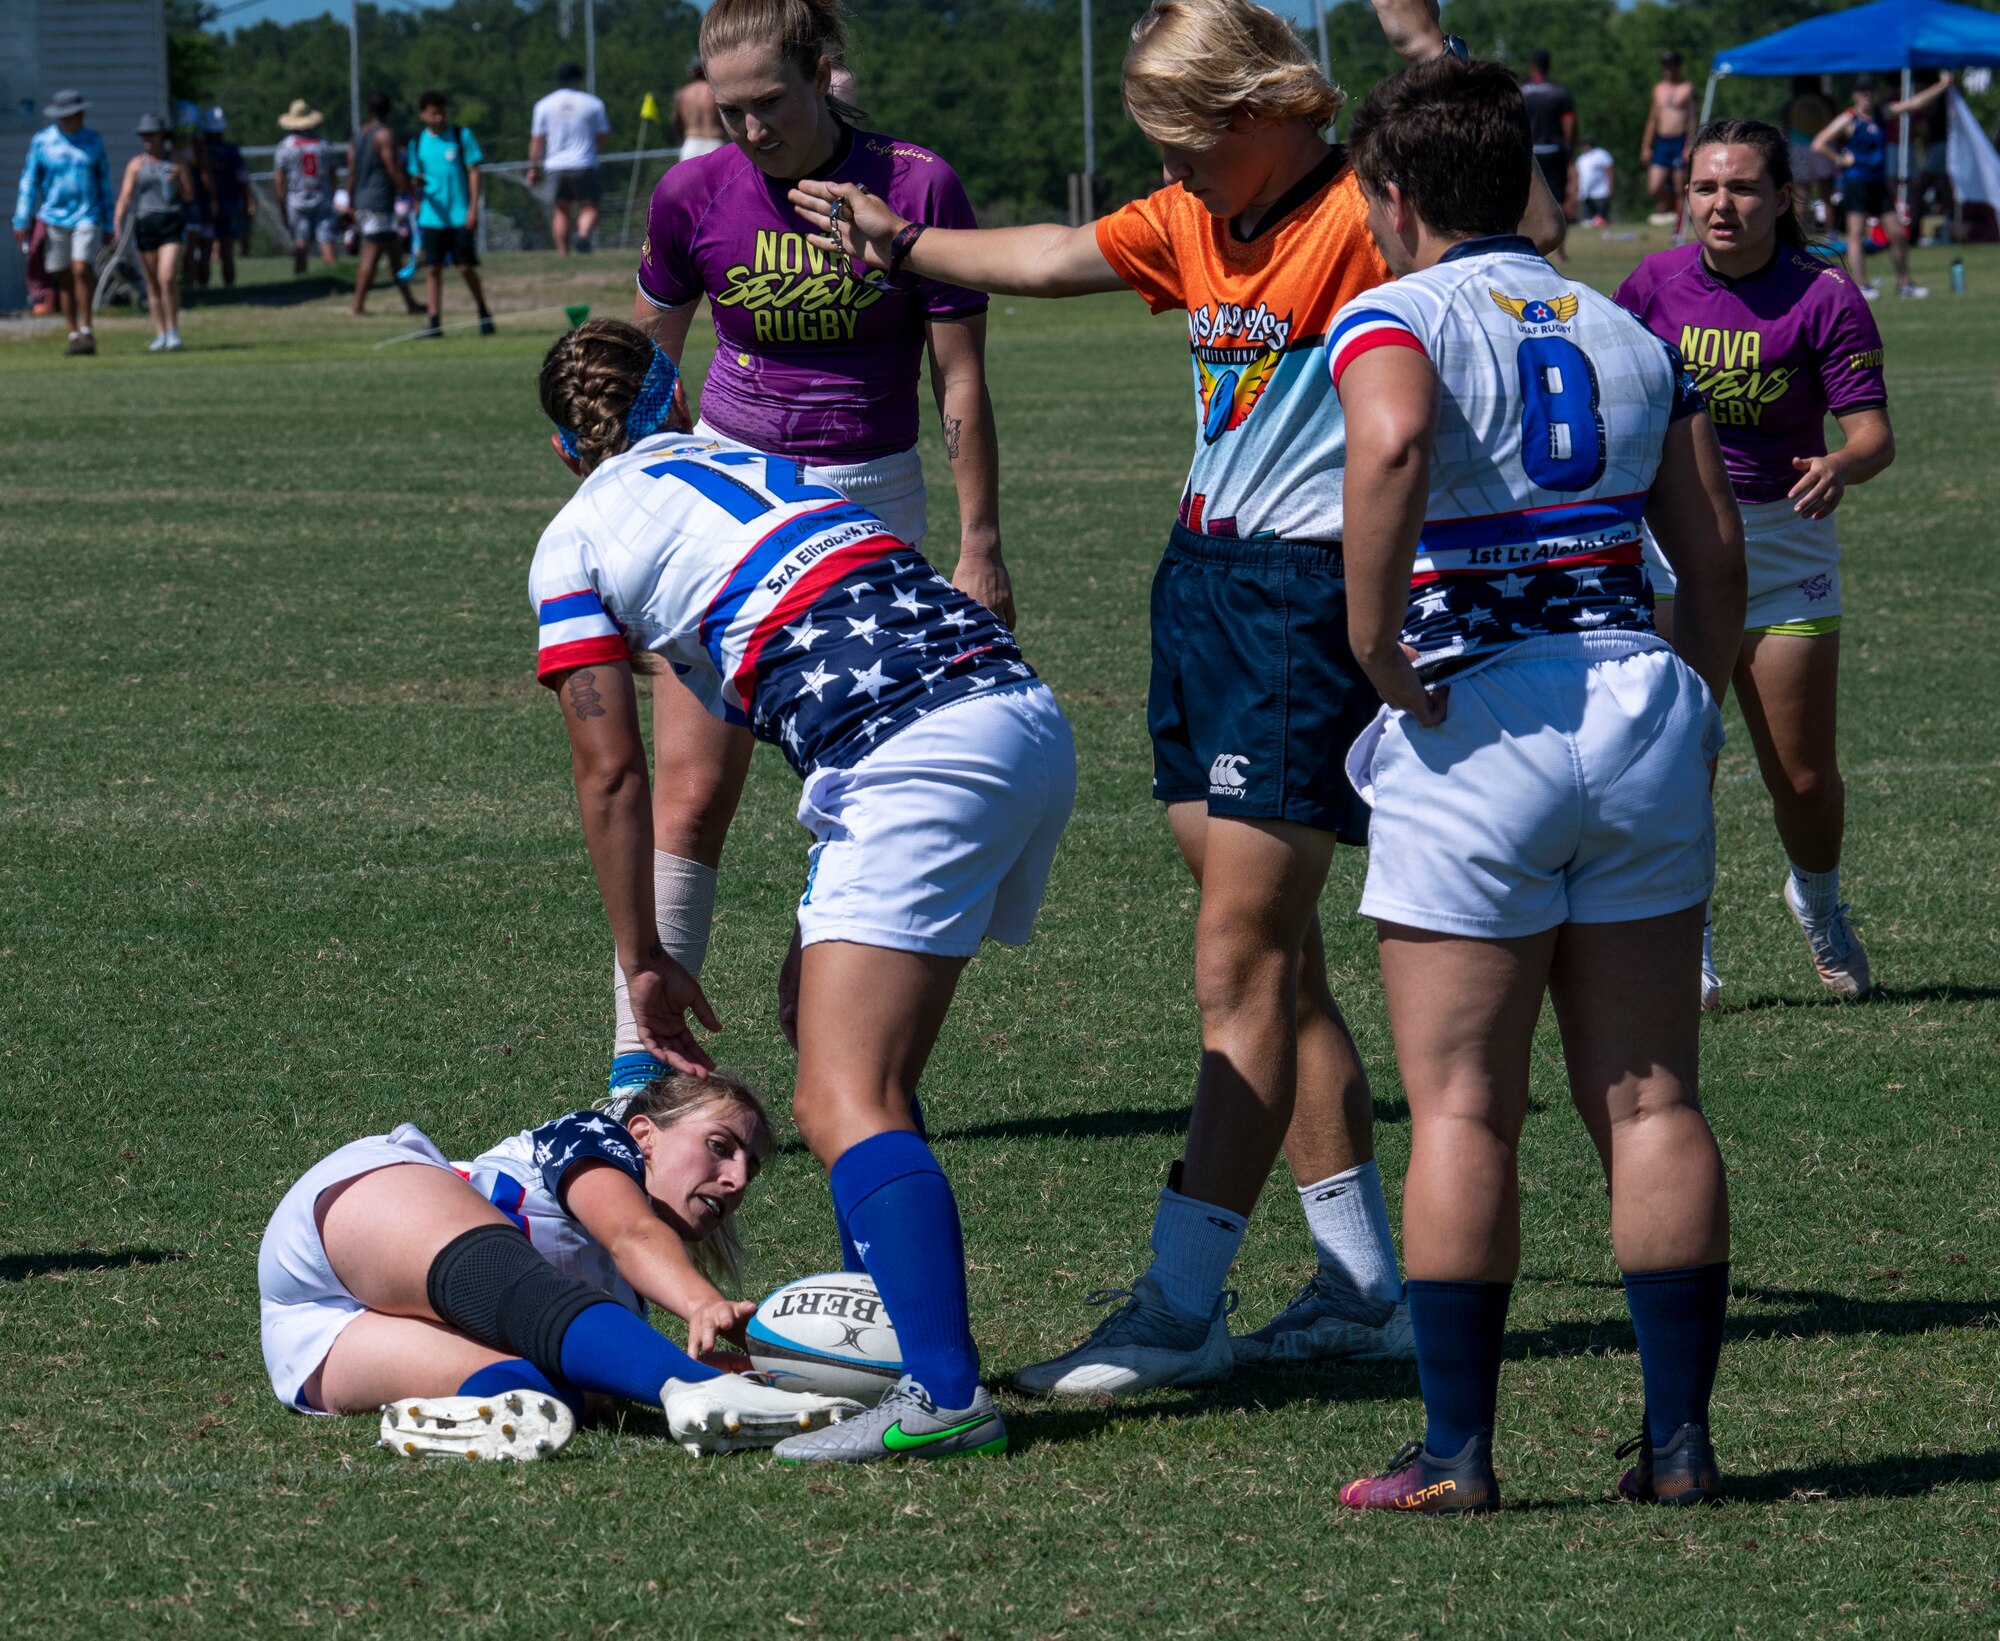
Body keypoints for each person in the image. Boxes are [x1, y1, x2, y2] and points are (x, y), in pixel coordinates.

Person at [795, 0, 1565, 1392]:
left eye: (1187, 135)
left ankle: (1180, 1300)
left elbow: (1521, 225)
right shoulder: (1198, 217)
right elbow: (1046, 255)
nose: (1169, 164)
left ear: (1270, 107)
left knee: (1238, 964)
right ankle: (1359, 1285)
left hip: (1298, 602)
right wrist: (901, 241)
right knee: (1277, 961)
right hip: (1200, 583)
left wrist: (1433, 59)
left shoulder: (1362, 211)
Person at [532, 319, 1075, 1462]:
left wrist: (644, 956)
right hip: (1015, 711)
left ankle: (941, 1393)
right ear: (676, 401)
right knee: (869, 1077)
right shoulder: (754, 462)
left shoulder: (574, 536)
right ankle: (897, 1351)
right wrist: (809, 925)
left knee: (840, 1104)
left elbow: (611, 770)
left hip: (911, 752)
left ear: (558, 448)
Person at [1325, 54, 1746, 1515]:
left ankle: (1455, 1454)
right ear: (1522, 179)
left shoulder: (1395, 311)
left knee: (1459, 1109)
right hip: (1635, 704)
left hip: (1477, 724)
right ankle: (1680, 1448)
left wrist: (1374, 644)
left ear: (1391, 195)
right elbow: (1714, 551)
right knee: (1648, 1098)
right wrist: (1691, 697)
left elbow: (1384, 439)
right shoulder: (1630, 325)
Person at [618, 0, 1014, 1120]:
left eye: (769, 105)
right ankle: (639, 1071)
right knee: (691, 796)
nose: (748, 131)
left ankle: (837, 1044)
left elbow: (960, 386)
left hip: (868, 515)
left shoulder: (914, 186)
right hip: (727, 515)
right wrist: (644, 499)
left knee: (861, 793)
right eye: (726, 108)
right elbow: (650, 369)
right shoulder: (691, 193)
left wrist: (979, 547)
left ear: (823, 76)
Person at [1617, 121, 1895, 1009]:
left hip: (1784, 544)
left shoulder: (1824, 293)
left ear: (1782, 197)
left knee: (1803, 776)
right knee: (1676, 759)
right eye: (1704, 187)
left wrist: (1839, 465)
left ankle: (1816, 901)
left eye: (1741, 188)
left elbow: (1873, 436)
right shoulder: (1651, 285)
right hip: (1673, 542)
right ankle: (1685, 937)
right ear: (1683, 195)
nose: (1721, 204)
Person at [259, 1068, 861, 1459]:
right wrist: (701, 1312)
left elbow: (597, 1371)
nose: (733, 1179)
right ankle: (698, 1390)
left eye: (748, 1170)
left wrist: (707, 1365)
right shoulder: (595, 1137)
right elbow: (630, 1231)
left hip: (313, 1338)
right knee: (513, 1287)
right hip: (352, 1214)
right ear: (645, 1133)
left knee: (549, 1400)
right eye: (719, 1146)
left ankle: (446, 1428)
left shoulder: (624, 1304)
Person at [1814, 73, 1953, 301]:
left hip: (1878, 183)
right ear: (1855, 95)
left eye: (1870, 90)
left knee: (1898, 233)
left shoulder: (1881, 113)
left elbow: (1913, 104)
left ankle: (1904, 284)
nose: (1867, 94)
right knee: (1856, 235)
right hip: (1856, 182)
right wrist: (1839, 159)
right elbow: (1819, 142)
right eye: (1862, 91)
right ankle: (1862, 285)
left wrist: (1942, 85)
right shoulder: (1850, 119)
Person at [11, 89, 111, 357]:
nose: (75, 118)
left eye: (78, 114)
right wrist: (21, 219)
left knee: (81, 268)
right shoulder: (43, 143)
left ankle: (88, 329)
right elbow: (29, 182)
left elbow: (104, 182)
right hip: (54, 216)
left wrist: (110, 222)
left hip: (87, 214)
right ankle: (74, 333)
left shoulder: (93, 141)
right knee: (64, 274)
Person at [407, 91, 494, 338]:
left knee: (465, 267)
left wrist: (473, 208)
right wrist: (418, 184)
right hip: (432, 216)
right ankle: (434, 322)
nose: (439, 117)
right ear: (423, 114)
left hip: (459, 215)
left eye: (442, 112)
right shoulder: (417, 142)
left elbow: (474, 172)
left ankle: (483, 311)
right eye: (433, 113)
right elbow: (415, 176)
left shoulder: (460, 135)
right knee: (432, 269)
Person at [114, 113, 193, 353]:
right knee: (152, 283)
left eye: (152, 134)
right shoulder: (137, 165)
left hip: (171, 220)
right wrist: (117, 223)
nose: (148, 139)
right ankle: (160, 333)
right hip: (145, 222)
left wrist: (177, 184)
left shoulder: (177, 162)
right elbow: (126, 196)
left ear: (162, 136)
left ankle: (173, 329)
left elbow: (190, 195)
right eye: (144, 135)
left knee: (167, 276)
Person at [347, 93, 422, 317]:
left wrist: (350, 202)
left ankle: (410, 303)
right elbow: (392, 169)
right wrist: (412, 193)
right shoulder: (384, 135)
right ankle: (357, 306)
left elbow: (351, 172)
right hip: (378, 202)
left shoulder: (358, 135)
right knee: (371, 252)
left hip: (364, 200)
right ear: (389, 110)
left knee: (395, 253)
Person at [528, 62, 612, 254]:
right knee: (590, 206)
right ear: (578, 80)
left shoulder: (544, 104)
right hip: (584, 162)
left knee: (561, 210)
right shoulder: (593, 103)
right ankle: (582, 234)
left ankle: (563, 253)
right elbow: (604, 134)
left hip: (555, 165)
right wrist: (591, 146)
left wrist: (533, 168)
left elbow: (537, 140)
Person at [273, 100, 338, 274]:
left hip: (297, 198)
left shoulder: (286, 146)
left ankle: (301, 277)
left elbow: (279, 179)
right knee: (326, 240)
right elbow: (333, 174)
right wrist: (332, 195)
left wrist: (281, 204)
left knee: (301, 242)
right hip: (322, 195)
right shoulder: (324, 143)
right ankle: (333, 276)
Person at [193, 107, 252, 288]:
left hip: (204, 206)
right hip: (229, 204)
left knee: (205, 250)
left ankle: (203, 287)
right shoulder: (231, 151)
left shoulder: (198, 151)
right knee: (227, 251)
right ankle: (229, 286)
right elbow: (242, 179)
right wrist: (246, 203)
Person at [1641, 51, 1696, 230]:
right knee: (1654, 186)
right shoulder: (1659, 89)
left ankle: (1679, 227)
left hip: (1679, 139)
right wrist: (1646, 145)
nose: (1668, 70)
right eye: (1666, 66)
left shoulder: (1686, 88)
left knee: (1681, 185)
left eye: (1672, 66)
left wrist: (1689, 144)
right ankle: (1672, 205)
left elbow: (1692, 119)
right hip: (1662, 141)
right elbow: (1653, 118)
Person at [1521, 49, 1575, 211]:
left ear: (1531, 66)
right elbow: (1568, 123)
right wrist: (1569, 149)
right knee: (1554, 196)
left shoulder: (1521, 90)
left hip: (1528, 151)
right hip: (1553, 150)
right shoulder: (1559, 91)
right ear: (1548, 66)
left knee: (1528, 196)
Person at [1782, 75, 1837, 226]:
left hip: (1799, 149)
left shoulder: (1791, 105)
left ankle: (1796, 234)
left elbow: (1785, 130)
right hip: (1823, 147)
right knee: (1827, 195)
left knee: (1800, 195)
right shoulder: (1827, 102)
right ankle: (1831, 233)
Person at [674, 58, 727, 162]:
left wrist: (682, 138)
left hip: (691, 143)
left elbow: (676, 120)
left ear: (691, 72)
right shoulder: (715, 92)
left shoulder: (682, 94)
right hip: (714, 142)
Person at [1574, 134, 1614, 227]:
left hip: (1600, 192)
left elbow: (1609, 170)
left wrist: (1610, 187)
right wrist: (1577, 190)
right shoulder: (1581, 159)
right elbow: (1579, 176)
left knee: (1602, 218)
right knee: (1589, 220)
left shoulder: (1601, 154)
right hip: (1586, 193)